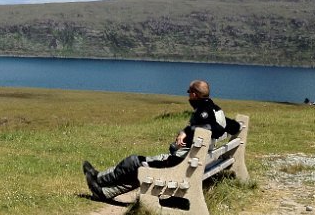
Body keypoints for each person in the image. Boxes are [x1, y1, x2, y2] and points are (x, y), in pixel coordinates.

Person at [82, 79, 240, 201]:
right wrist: (186, 131)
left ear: (194, 94)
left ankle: (99, 179)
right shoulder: (215, 109)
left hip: (181, 166)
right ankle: (104, 192)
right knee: (141, 170)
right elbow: (234, 127)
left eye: (189, 93)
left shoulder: (203, 113)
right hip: (197, 162)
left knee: (134, 162)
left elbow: (214, 128)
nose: (188, 97)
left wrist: (189, 131)